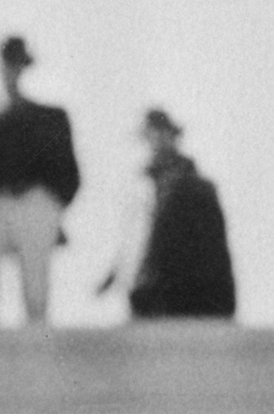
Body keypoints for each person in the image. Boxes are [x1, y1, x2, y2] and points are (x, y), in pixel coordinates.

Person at [0, 36, 79, 326]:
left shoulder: (51, 118)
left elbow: (68, 175)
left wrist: (50, 206)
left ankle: (37, 354)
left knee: (35, 290)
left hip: (34, 204)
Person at [100, 108, 237, 321]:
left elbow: (212, 255)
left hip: (181, 302)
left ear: (172, 137)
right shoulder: (142, 189)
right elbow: (133, 242)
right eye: (149, 137)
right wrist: (116, 274)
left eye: (158, 135)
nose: (153, 144)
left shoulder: (197, 189)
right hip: (147, 299)